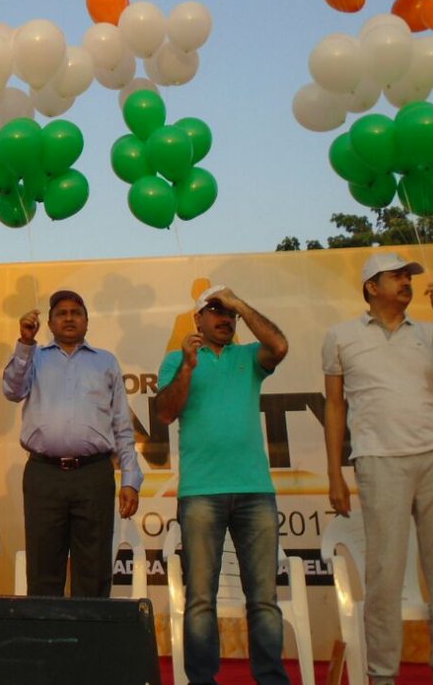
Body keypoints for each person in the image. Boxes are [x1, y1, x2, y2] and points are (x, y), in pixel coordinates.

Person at [322, 253, 433, 685]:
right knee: (384, 578)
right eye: (397, 276)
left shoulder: (430, 333)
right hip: (378, 459)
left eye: (410, 276)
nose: (407, 282)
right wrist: (335, 473)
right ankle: (381, 677)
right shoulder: (340, 336)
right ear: (372, 286)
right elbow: (334, 406)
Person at [155, 284, 291, 685]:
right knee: (200, 600)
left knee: (264, 600)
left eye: (228, 313)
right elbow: (164, 413)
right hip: (200, 492)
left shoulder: (249, 357)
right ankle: (202, 680)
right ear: (197, 319)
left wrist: (241, 305)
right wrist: (187, 366)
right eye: (215, 311)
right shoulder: (176, 360)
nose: (224, 318)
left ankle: (271, 679)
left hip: (255, 490)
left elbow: (280, 346)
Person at [2, 289, 142, 597]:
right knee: (43, 572)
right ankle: (45, 645)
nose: (68, 318)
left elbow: (121, 425)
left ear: (87, 322)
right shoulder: (33, 355)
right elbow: (12, 390)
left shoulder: (105, 362)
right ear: (49, 323)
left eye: (75, 313)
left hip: (93, 476)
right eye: (61, 313)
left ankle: (89, 646)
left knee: (93, 573)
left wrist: (130, 478)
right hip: (44, 475)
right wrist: (25, 342)